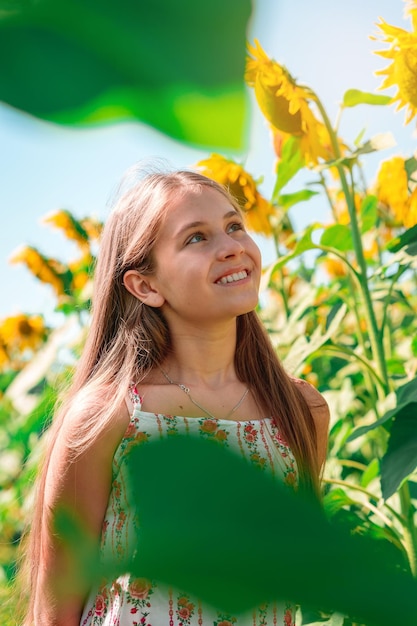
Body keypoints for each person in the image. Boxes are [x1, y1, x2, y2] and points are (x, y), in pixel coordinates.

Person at [20, 166, 330, 626]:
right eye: (196, 239)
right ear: (145, 285)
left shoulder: (301, 411)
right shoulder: (110, 416)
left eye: (234, 226)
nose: (231, 248)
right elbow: (55, 608)